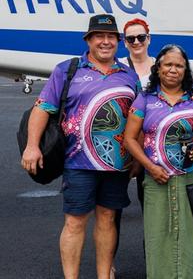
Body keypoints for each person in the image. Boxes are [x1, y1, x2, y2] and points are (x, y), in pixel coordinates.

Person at [20, 14, 139, 279]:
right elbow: (42, 108)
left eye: (111, 37)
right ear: (89, 40)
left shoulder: (129, 76)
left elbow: (138, 119)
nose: (106, 42)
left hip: (117, 164)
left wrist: (138, 159)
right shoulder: (68, 69)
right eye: (100, 36)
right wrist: (32, 146)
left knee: (108, 219)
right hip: (77, 163)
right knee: (75, 222)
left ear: (118, 41)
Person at [123, 44, 193, 279]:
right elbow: (129, 139)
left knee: (191, 238)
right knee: (158, 237)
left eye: (179, 65)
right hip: (156, 180)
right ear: (158, 68)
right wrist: (150, 168)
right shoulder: (144, 100)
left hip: (192, 180)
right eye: (168, 64)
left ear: (185, 70)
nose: (173, 70)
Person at [113, 18, 155, 277]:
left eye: (141, 37)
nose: (137, 42)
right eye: (131, 39)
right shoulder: (117, 69)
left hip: (151, 148)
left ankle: (153, 261)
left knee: (152, 210)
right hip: (122, 147)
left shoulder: (160, 68)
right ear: (124, 42)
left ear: (149, 38)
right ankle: (109, 262)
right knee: (111, 211)